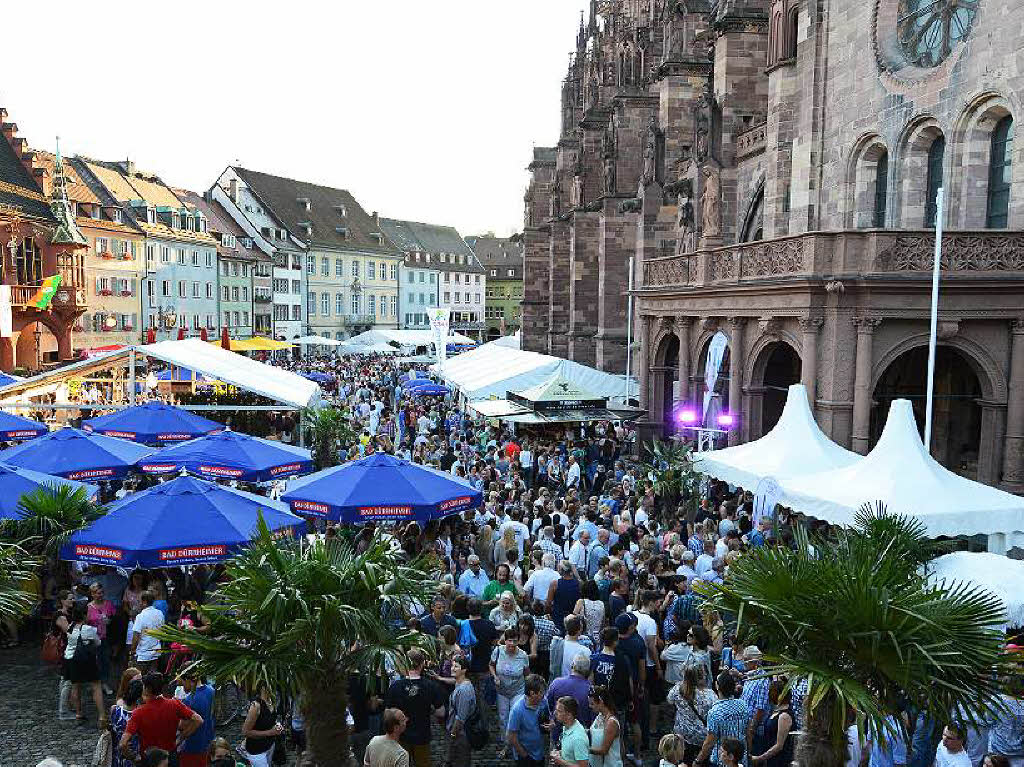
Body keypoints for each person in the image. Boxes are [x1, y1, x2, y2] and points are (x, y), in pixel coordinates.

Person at [121, 673, 202, 767]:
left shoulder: (138, 713)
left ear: (147, 688)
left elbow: (123, 743)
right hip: (170, 755)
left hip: (149, 759)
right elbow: (198, 720)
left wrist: (132, 757)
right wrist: (181, 738)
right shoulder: (174, 704)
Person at [385, 648, 444, 767]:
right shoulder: (431, 686)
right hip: (422, 735)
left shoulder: (395, 687)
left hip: (400, 736)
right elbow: (441, 712)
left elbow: (387, 713)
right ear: (422, 664)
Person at [63, 601, 105, 727]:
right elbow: (98, 643)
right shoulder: (89, 629)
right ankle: (102, 715)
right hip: (87, 660)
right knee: (96, 686)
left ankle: (78, 712)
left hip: (71, 660)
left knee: (75, 686)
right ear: (84, 615)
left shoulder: (70, 627)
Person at [491, 628, 531, 751]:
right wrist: (495, 676)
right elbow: (491, 665)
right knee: (503, 717)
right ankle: (506, 742)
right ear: (505, 641)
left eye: (514, 641)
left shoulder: (523, 655)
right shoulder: (498, 651)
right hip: (501, 690)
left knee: (515, 715)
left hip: (517, 690)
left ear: (518, 641)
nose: (512, 644)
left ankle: (516, 742)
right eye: (509, 640)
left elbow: (527, 673)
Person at [697, 673, 750, 765]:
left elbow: (710, 742)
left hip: (722, 760)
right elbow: (749, 732)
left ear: (717, 686)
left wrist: (698, 760)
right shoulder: (743, 705)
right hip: (741, 758)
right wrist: (748, 753)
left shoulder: (714, 712)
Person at [668, 666, 717, 764]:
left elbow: (669, 701)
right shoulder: (709, 695)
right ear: (701, 678)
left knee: (684, 760)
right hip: (702, 735)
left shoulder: (677, 689)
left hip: (682, 733)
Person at [507, 674, 548, 767]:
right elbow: (511, 736)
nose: (543, 695)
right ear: (532, 693)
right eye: (541, 692)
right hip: (526, 757)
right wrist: (524, 755)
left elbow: (548, 718)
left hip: (540, 754)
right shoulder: (517, 710)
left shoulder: (543, 701)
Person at [750, 680, 793, 767]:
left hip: (780, 761)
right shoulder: (776, 710)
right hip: (770, 759)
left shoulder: (784, 716)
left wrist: (760, 758)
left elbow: (779, 745)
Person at [179, 672, 215, 767]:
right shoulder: (211, 690)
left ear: (187, 680)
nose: (182, 686)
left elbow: (182, 725)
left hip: (193, 744)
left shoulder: (188, 700)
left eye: (182, 682)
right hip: (208, 739)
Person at [241, 684, 283, 767]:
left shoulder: (271, 700)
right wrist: (270, 732)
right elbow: (245, 732)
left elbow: (271, 720)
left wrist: (277, 725)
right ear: (262, 687)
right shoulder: (256, 705)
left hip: (269, 745)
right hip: (256, 750)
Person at [86, 582, 116, 695]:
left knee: (105, 661)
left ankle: (105, 682)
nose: (100, 595)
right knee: (95, 661)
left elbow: (114, 618)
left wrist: (109, 621)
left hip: (105, 637)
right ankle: (95, 683)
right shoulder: (88, 607)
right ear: (92, 594)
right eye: (98, 593)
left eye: (102, 592)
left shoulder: (108, 604)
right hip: (93, 639)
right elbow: (86, 622)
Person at [447, 656, 476, 767]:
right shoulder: (459, 683)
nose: (452, 668)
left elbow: (461, 718)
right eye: (452, 665)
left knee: (461, 761)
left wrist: (453, 734)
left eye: (456, 666)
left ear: (464, 670)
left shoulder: (464, 690)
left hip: (462, 734)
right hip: (459, 733)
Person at [130, 592, 165, 674]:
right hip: (156, 653)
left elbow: (136, 637)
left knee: (140, 679)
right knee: (153, 679)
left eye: (139, 601)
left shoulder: (140, 616)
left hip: (143, 654)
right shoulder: (160, 614)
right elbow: (162, 631)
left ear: (144, 602)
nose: (139, 603)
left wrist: (132, 651)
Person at [110, 678, 143, 767]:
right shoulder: (140, 714)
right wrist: (132, 757)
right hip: (133, 756)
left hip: (117, 755)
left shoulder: (114, 710)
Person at [588, 685, 623, 767]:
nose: (590, 706)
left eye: (592, 704)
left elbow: (604, 751)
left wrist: (584, 749)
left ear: (601, 702)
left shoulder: (611, 723)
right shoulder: (599, 716)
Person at [552, 695, 591, 767]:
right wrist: (559, 753)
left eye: (559, 711)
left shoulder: (578, 738)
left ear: (569, 715)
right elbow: (570, 753)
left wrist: (560, 761)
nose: (555, 713)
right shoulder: (567, 727)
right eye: (556, 710)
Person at [548, 560, 582, 633]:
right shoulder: (578, 583)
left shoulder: (555, 584)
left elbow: (549, 602)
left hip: (558, 616)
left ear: (561, 570)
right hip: (572, 617)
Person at [573, 580, 606, 647]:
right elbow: (603, 622)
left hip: (584, 638)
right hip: (597, 638)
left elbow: (573, 619)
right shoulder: (601, 604)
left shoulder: (581, 602)